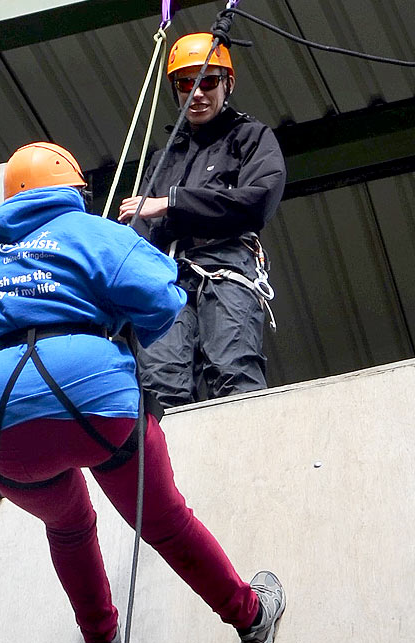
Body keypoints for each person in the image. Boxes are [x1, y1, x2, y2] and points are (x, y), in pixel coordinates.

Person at [0, 141, 286, 643]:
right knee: (164, 522)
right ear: (70, 188)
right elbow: (164, 298)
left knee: (68, 526)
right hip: (91, 396)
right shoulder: (91, 233)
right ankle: (250, 618)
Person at [119, 32, 287, 408]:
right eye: (185, 83)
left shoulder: (249, 138)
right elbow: (139, 233)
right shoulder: (166, 158)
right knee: (159, 385)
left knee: (233, 370)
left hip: (224, 268)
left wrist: (172, 203)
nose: (196, 93)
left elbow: (257, 201)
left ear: (228, 83)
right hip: (167, 278)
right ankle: (170, 465)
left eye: (207, 81)